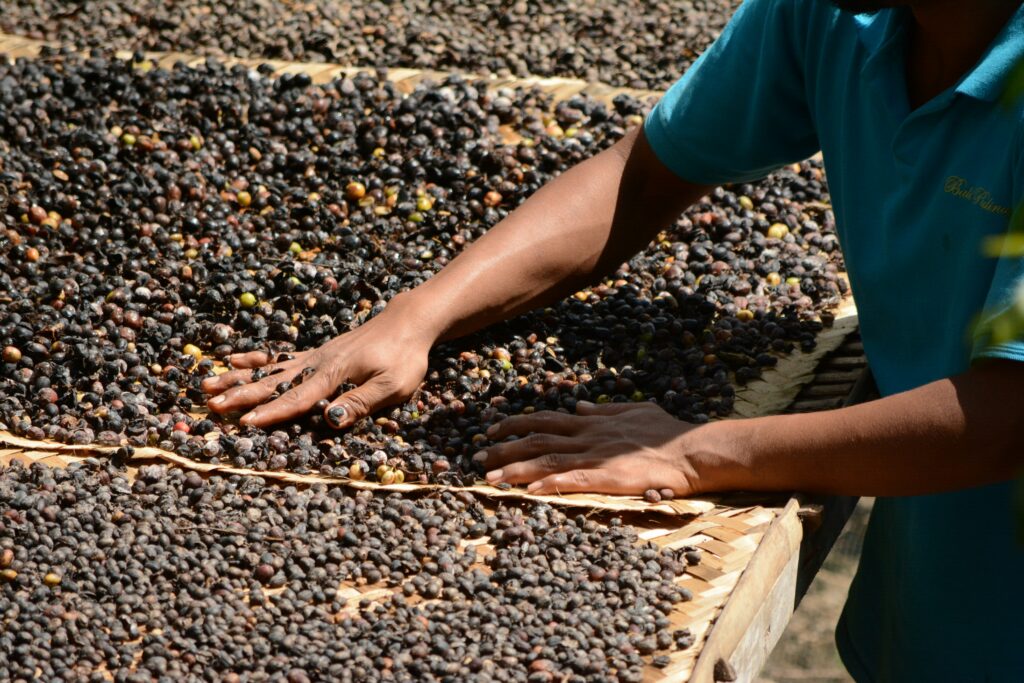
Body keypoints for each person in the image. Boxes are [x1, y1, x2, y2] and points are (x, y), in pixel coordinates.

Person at [202, 0, 1024, 679]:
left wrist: (700, 450)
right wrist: (418, 316)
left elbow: (1005, 419)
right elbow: (645, 171)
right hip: (937, 593)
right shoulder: (833, 14)